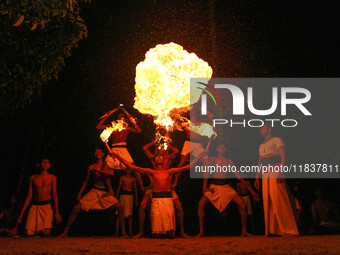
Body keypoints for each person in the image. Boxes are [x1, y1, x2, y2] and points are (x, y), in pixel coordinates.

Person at [110, 150, 206, 238]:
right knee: (157, 234)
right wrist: (117, 156)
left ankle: (179, 231)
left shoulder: (170, 171)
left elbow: (188, 167)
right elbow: (132, 167)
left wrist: (199, 155)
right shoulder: (151, 172)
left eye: (161, 157)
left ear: (164, 161)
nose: (159, 158)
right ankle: (144, 232)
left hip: (167, 199)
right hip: (156, 200)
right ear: (154, 160)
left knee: (170, 235)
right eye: (157, 157)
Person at [59, 147, 127, 237]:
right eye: (96, 152)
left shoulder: (107, 165)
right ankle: (65, 232)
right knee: (77, 207)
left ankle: (123, 232)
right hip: (94, 190)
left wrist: (99, 171)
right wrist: (80, 193)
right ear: (94, 154)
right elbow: (86, 181)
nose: (98, 153)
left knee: (120, 207)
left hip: (104, 192)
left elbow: (111, 174)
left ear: (103, 154)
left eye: (100, 152)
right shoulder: (91, 167)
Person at [196, 144, 259, 237]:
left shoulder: (229, 162)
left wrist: (252, 191)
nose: (222, 148)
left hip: (225, 186)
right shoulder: (213, 159)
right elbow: (207, 172)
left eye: (224, 147)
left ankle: (244, 231)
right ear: (217, 149)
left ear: (225, 149)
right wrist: (204, 187)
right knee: (201, 204)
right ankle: (201, 231)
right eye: (220, 147)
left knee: (243, 205)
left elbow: (240, 178)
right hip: (214, 186)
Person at [135, 139, 189, 238]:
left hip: (167, 187)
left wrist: (168, 143)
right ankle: (141, 232)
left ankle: (181, 231)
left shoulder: (168, 157)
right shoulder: (153, 157)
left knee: (178, 206)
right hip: (154, 185)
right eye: (159, 146)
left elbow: (176, 151)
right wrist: (154, 141)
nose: (161, 148)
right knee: (143, 205)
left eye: (163, 146)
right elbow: (144, 148)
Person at [254, 124, 299, 236]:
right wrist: (256, 176)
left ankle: (290, 229)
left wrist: (281, 171)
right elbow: (260, 162)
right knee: (268, 201)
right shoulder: (261, 146)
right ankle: (273, 230)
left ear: (269, 129)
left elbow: (283, 156)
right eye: (260, 128)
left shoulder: (277, 140)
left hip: (275, 171)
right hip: (265, 174)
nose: (261, 129)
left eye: (263, 128)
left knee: (280, 199)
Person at [97, 105, 144, 191]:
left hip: (123, 149)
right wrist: (107, 115)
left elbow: (139, 130)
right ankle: (110, 189)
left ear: (124, 118)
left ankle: (142, 188)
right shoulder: (112, 126)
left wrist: (130, 118)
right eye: (118, 115)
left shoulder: (127, 127)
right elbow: (99, 126)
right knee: (105, 168)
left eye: (122, 115)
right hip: (113, 149)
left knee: (134, 168)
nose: (120, 116)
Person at [16, 157, 62, 236]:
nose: (45, 164)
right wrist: (21, 213)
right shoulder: (33, 178)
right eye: (43, 162)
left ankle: (40, 234)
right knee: (28, 233)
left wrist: (57, 212)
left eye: (47, 162)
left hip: (47, 205)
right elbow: (29, 195)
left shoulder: (52, 177)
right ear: (38, 165)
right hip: (35, 205)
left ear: (49, 165)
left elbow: (54, 194)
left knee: (46, 233)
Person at [115, 168, 138, 236]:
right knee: (119, 213)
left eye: (130, 169)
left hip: (130, 196)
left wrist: (136, 199)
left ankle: (130, 232)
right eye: (127, 169)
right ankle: (116, 232)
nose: (129, 170)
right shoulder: (122, 178)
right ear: (124, 170)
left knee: (129, 214)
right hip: (122, 195)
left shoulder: (133, 179)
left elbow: (135, 189)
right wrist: (116, 197)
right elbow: (119, 187)